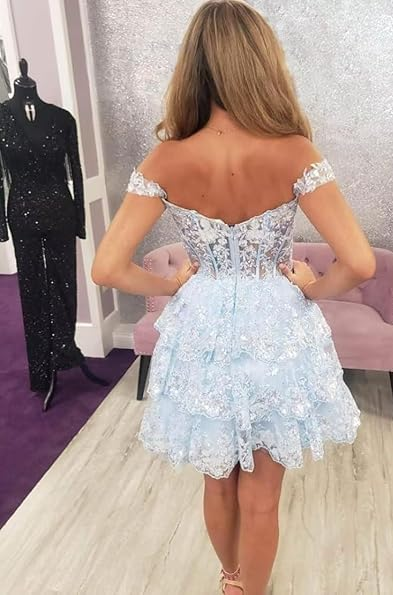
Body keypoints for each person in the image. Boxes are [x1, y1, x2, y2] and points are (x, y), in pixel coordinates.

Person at [92, 2, 376, 594]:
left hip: (203, 326)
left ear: (192, 67)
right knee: (263, 497)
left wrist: (169, 285)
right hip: (275, 326)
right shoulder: (295, 151)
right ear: (261, 62)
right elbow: (360, 263)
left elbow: (107, 268)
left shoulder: (166, 158)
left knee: (217, 481)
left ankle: (231, 579)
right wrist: (312, 287)